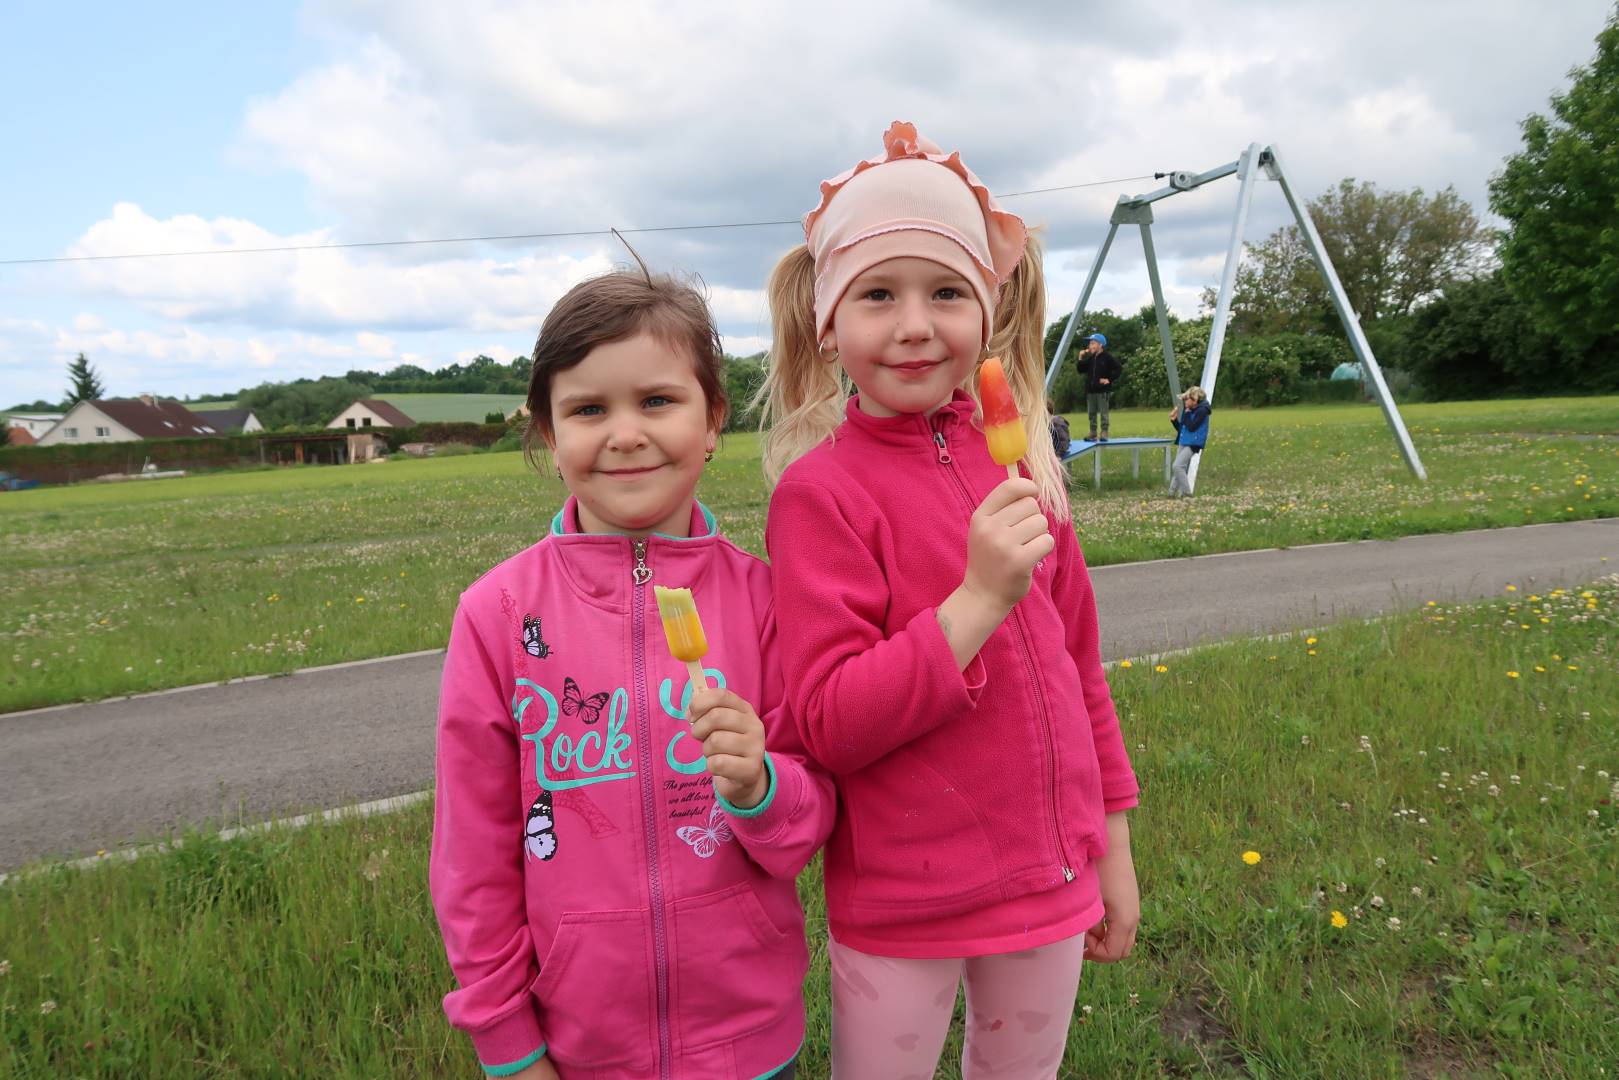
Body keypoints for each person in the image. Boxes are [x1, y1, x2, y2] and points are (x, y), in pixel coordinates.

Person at [755, 121, 1141, 1079]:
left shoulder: (1030, 474)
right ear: (827, 323)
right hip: (904, 901)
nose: (915, 325)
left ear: (987, 311)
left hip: (1051, 880)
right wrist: (975, 601)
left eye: (946, 292)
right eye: (877, 294)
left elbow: (1080, 672)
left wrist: (1112, 844)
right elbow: (827, 721)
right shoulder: (819, 496)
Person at [430, 268, 835, 1079]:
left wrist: (760, 784)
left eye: (656, 401)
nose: (624, 434)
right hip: (579, 1047)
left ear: (712, 419)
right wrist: (507, 1044)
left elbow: (809, 821)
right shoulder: (497, 614)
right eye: (587, 410)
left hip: (749, 1042)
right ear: (548, 435)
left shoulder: (765, 599)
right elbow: (471, 857)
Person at [1074, 333, 1121, 441]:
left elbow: (1118, 368)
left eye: (1092, 343)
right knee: (1091, 414)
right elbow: (1080, 370)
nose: (1090, 346)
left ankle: (1104, 432)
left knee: (1104, 413)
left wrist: (1109, 379)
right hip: (1090, 391)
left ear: (1100, 345)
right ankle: (1093, 433)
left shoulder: (1107, 357)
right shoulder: (1091, 359)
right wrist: (1080, 358)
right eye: (1090, 344)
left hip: (1103, 391)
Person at [1168, 385, 1211, 497]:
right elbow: (1182, 428)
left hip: (1193, 443)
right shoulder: (1188, 409)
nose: (1184, 402)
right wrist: (1174, 421)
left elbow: (1192, 427)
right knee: (1179, 468)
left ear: (1195, 400)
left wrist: (1187, 413)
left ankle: (1187, 493)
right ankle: (1171, 494)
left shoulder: (1202, 411)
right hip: (1184, 440)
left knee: (1177, 466)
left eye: (1186, 399)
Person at [1048, 398, 1072, 463]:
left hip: (1060, 450)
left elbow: (1064, 440)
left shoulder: (1056, 423)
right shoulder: (1047, 423)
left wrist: (1057, 454)